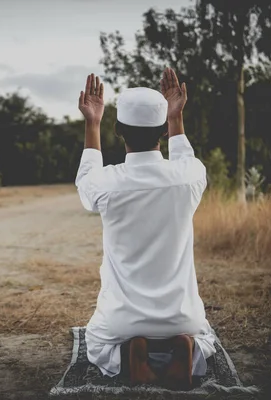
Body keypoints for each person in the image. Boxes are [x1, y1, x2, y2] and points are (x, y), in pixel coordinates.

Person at [75, 68, 216, 390]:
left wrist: (91, 122)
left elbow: (86, 181)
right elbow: (184, 158)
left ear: (119, 130)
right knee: (204, 337)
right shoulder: (190, 176)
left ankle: (129, 353)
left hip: (122, 320)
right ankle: (185, 347)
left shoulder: (106, 184)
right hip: (183, 318)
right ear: (163, 130)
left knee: (96, 342)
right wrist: (176, 116)